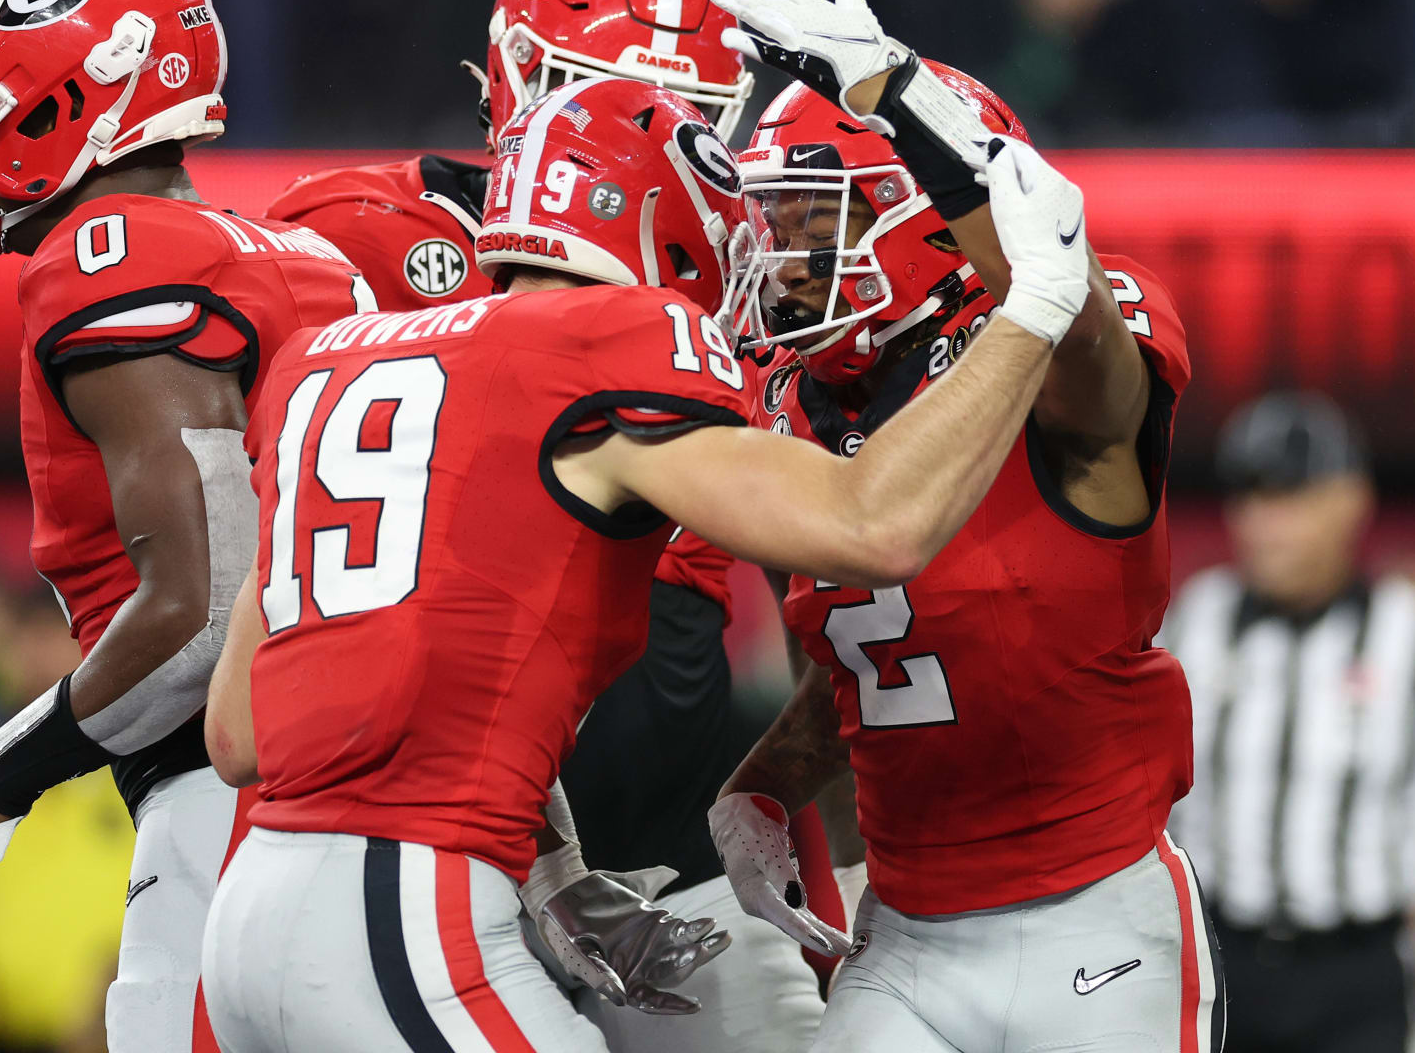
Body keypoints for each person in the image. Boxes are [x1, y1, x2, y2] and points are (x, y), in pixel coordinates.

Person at [198, 71, 1095, 1052]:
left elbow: (239, 734)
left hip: (250, 912)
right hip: (403, 908)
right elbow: (877, 530)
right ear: (667, 223)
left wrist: (553, 876)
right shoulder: (609, 338)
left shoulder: (330, 358)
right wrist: (1036, 310)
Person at [267, 0, 843, 1051]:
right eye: (619, 90)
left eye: (693, 111)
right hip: (440, 821)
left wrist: (831, 867)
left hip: (680, 828)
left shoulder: (736, 267)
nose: (653, 134)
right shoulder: (369, 239)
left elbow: (828, 602)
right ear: (519, 81)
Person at [701, 0, 1220, 1051]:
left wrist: (906, 104)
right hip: (910, 934)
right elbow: (888, 668)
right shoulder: (791, 402)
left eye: (809, 222)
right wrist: (764, 782)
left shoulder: (1069, 337)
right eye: (772, 224)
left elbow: (1079, 337)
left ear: (920, 220)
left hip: (1095, 924)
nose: (777, 264)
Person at [0, 0, 369, 1053]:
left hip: (239, 795)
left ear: (68, 100)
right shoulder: (296, 257)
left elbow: (203, 614)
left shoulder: (112, 260)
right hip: (389, 792)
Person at [1165, 392, 1415, 1053]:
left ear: (1351, 500)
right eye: (1250, 496)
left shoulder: (1413, 635)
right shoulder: (1195, 620)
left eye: (1290, 496)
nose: (1264, 522)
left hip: (1361, 978)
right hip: (1219, 966)